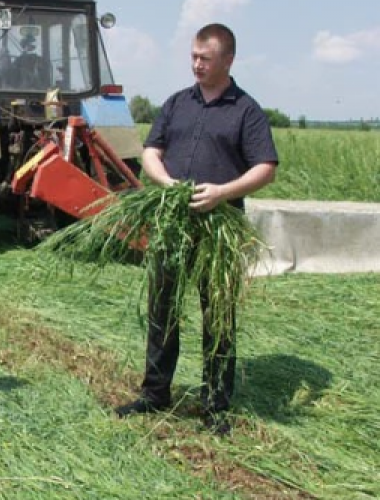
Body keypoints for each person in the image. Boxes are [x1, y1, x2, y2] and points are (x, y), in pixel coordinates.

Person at [114, 23, 278, 435]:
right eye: (193, 57)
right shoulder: (176, 103)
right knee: (162, 309)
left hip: (218, 230)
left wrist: (223, 192)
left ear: (228, 60)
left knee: (218, 316)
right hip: (174, 224)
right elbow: (152, 151)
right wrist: (166, 183)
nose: (197, 65)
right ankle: (155, 394)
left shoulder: (247, 110)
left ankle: (215, 406)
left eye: (205, 58)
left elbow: (266, 167)